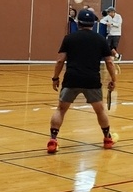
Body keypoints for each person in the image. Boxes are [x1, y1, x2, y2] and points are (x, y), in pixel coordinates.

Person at [48, 8, 116, 153]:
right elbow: (110, 62)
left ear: (78, 22)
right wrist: (113, 79)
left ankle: (53, 140)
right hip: (92, 80)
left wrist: (55, 77)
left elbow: (60, 60)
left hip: (71, 79)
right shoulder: (100, 39)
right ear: (93, 23)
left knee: (61, 109)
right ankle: (107, 139)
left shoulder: (69, 38)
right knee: (100, 110)